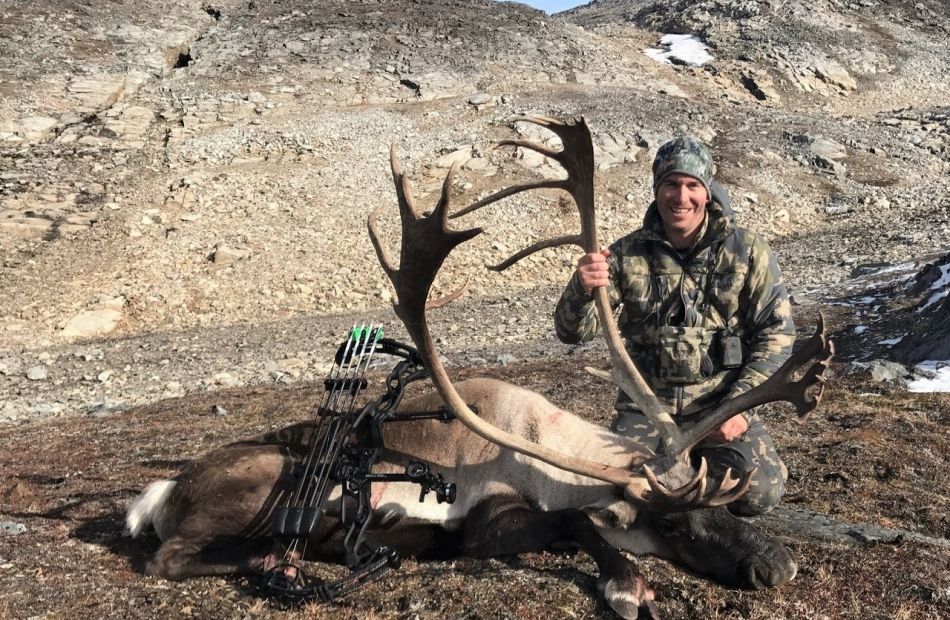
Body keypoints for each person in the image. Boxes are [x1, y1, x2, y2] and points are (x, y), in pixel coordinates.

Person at [554, 136, 795, 515]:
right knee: (613, 492)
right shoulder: (624, 255)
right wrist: (581, 288)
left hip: (719, 409)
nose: (681, 197)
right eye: (670, 184)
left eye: (692, 185)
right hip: (647, 411)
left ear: (707, 190)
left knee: (758, 492)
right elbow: (573, 334)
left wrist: (739, 409)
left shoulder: (747, 251)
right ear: (656, 189)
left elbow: (777, 335)